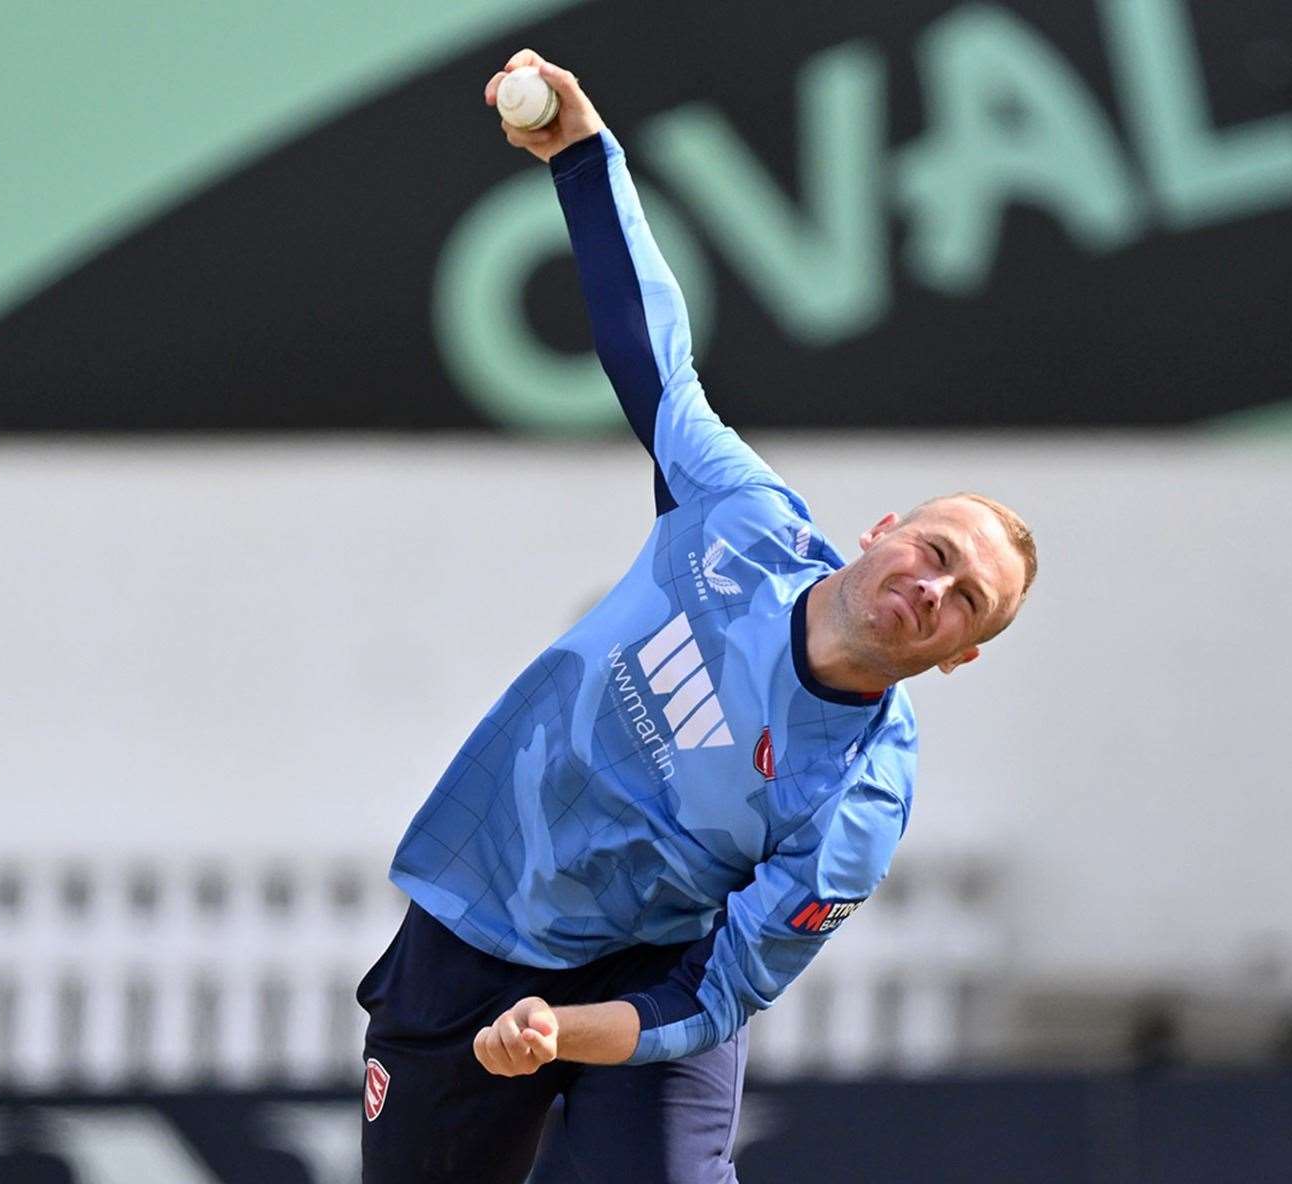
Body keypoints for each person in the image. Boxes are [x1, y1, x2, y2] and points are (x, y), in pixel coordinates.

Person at [355, 49, 1038, 1183]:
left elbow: (707, 990)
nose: (931, 587)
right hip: (484, 914)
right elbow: (652, 358)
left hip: (646, 981)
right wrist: (581, 155)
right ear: (880, 529)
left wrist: (559, 1031)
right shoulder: (738, 521)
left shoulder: (857, 796)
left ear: (956, 657)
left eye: (963, 602)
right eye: (934, 551)